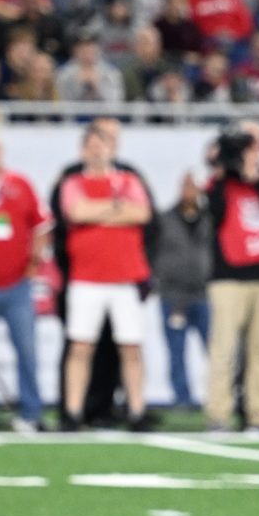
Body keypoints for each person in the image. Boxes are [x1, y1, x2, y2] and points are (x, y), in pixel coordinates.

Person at [58, 124, 152, 431]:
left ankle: (137, 410)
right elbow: (76, 211)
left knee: (131, 347)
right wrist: (115, 209)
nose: (97, 150)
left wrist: (99, 213)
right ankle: (72, 411)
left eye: (103, 144)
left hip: (125, 277)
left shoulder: (129, 180)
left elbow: (141, 213)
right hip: (87, 277)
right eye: (91, 145)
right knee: (80, 347)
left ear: (112, 148)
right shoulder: (72, 181)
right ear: (83, 149)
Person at [205, 121, 259, 431]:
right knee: (224, 349)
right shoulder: (221, 181)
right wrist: (221, 170)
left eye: (254, 142)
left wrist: (253, 178)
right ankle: (219, 414)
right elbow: (213, 212)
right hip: (228, 275)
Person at [0, 124, 51, 432]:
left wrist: (34, 262)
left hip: (17, 283)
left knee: (27, 349)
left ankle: (31, 411)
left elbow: (41, 226)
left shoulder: (20, 183)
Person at [155, 170, 212, 409]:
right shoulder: (166, 219)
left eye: (193, 185)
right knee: (176, 351)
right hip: (173, 295)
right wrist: (161, 281)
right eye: (185, 185)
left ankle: (220, 396)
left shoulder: (209, 218)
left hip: (203, 293)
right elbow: (153, 252)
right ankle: (182, 398)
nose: (189, 190)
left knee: (216, 349)